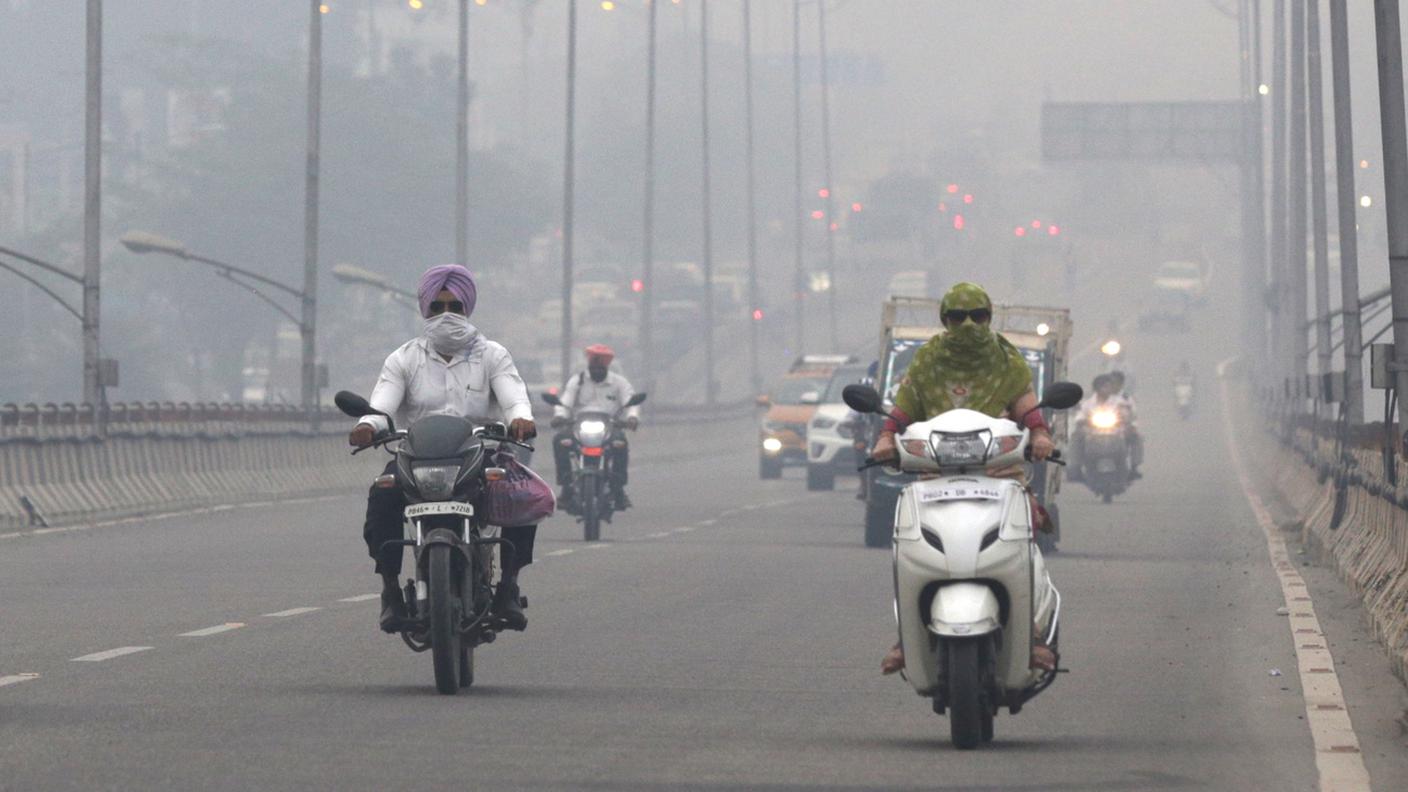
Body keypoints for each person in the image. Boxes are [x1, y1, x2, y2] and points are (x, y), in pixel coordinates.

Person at [870, 283, 1057, 676]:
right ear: (945, 321)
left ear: (989, 317)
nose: (969, 325)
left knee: (1026, 547)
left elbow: (1029, 410)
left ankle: (1034, 633)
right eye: (958, 317)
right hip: (934, 475)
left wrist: (1040, 436)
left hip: (1000, 473)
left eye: (978, 316)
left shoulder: (1007, 362)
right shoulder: (927, 362)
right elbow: (902, 412)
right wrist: (886, 439)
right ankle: (909, 635)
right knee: (909, 548)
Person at [350, 264, 539, 633]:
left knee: (520, 495)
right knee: (382, 495)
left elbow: (515, 398)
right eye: (437, 307)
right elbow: (381, 409)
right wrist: (366, 426)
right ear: (425, 309)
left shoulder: (493, 356)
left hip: (478, 455)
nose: (446, 315)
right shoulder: (403, 359)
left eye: (455, 306)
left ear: (468, 308)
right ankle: (389, 588)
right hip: (415, 459)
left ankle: (509, 586)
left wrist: (521, 418)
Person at [552, 344, 641, 511]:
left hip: (610, 425)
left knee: (620, 444)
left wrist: (632, 418)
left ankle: (618, 488)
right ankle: (566, 487)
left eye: (600, 366)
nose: (597, 369)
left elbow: (630, 402)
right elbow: (565, 402)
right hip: (579, 425)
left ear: (606, 366)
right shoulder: (577, 381)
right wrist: (560, 416)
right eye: (594, 365)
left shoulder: (619, 383)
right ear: (589, 365)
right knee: (560, 440)